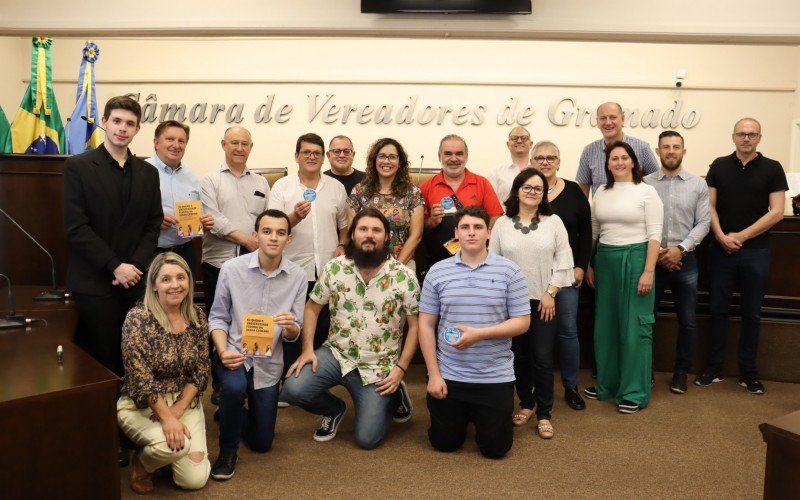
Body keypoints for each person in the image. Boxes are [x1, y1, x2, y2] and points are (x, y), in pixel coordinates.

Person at [283, 208, 420, 449]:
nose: (369, 235)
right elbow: (312, 308)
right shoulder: (335, 268)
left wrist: (400, 368)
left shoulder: (404, 276)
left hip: (379, 364)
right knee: (293, 389)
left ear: (386, 237)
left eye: (376, 230)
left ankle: (396, 392)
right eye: (363, 229)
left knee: (368, 439)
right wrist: (307, 350)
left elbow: (416, 326)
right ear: (353, 235)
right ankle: (334, 408)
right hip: (337, 354)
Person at [62, 95, 162, 379]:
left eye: (130, 123)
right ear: (104, 122)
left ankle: (133, 422)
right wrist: (115, 266)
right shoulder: (77, 167)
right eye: (117, 121)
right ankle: (104, 424)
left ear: (137, 129)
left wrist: (135, 267)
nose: (122, 128)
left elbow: (152, 225)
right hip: (94, 283)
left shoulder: (148, 173)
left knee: (137, 359)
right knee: (102, 363)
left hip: (136, 283)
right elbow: (76, 228)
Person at [420, 205, 530, 459]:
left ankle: (476, 415)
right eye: (465, 227)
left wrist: (479, 334)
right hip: (450, 376)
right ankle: (462, 414)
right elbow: (425, 325)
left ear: (489, 233)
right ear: (456, 233)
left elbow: (522, 322)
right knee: (444, 443)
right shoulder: (438, 272)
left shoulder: (509, 271)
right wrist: (434, 375)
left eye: (478, 227)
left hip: (494, 376)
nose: (472, 233)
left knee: (495, 449)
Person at [207, 209, 307, 480]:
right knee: (234, 387)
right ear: (255, 236)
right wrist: (222, 350)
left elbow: (294, 334)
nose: (273, 238)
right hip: (234, 353)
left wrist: (290, 327)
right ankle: (227, 451)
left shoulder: (298, 276)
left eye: (280, 232)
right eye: (266, 231)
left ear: (289, 239)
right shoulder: (231, 269)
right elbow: (216, 318)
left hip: (268, 362)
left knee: (263, 444)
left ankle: (232, 413)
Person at [696, 118, 788, 394]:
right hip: (720, 249)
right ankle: (714, 367)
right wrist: (722, 236)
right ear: (733, 137)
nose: (746, 139)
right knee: (718, 310)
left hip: (756, 252)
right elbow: (708, 204)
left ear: (759, 138)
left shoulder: (773, 168)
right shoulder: (719, 165)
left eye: (751, 134)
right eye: (741, 134)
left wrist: (742, 236)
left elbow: (777, 211)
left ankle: (749, 373)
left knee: (752, 314)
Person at [489, 169, 573, 439]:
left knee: (542, 358)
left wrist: (551, 292)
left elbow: (564, 259)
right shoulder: (502, 223)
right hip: (511, 303)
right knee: (519, 356)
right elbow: (493, 262)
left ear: (544, 194)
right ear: (517, 189)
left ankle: (544, 413)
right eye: (527, 186)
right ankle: (527, 403)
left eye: (538, 188)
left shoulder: (554, 222)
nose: (532, 191)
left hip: (543, 301)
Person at [117, 252, 211, 494]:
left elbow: (201, 370)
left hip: (184, 401)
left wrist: (178, 409)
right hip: (142, 404)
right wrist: (168, 419)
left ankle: (166, 452)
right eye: (166, 279)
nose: (175, 285)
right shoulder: (138, 319)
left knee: (194, 480)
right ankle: (142, 464)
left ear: (189, 282)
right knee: (173, 447)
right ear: (154, 285)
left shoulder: (197, 316)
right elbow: (141, 379)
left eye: (181, 277)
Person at [585, 141, 663, 414]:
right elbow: (594, 232)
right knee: (605, 327)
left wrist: (648, 271)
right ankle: (608, 384)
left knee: (634, 329)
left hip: (637, 259)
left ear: (633, 162)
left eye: (624, 158)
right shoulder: (601, 193)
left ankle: (634, 391)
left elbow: (655, 235)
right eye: (613, 158)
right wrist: (589, 264)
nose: (618, 162)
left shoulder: (647, 192)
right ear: (607, 164)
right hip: (605, 259)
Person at [269, 133, 349, 388]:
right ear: (297, 156)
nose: (311, 157)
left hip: (328, 268)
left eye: (316, 152)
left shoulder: (336, 188)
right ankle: (290, 379)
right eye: (306, 152)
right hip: (293, 269)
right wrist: (292, 217)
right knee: (291, 325)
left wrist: (342, 244)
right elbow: (273, 228)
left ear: (324, 157)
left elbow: (345, 226)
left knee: (324, 326)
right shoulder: (282, 187)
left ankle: (315, 380)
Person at [201, 126, 269, 405]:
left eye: (245, 143)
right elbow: (212, 218)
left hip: (255, 265)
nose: (239, 148)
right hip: (220, 261)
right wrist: (246, 240)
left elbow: (268, 219)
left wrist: (259, 242)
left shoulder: (261, 181)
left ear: (251, 147)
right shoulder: (209, 180)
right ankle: (220, 381)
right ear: (223, 145)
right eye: (234, 143)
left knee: (251, 317)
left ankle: (253, 376)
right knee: (220, 320)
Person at [644, 131, 710, 394]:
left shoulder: (697, 184)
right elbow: (641, 222)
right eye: (666, 147)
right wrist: (661, 252)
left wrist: (679, 250)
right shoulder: (645, 183)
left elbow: (703, 223)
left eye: (676, 147)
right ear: (658, 152)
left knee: (688, 320)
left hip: (686, 260)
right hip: (652, 260)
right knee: (646, 319)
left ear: (684, 151)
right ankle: (644, 372)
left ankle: (680, 373)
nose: (671, 151)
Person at [533, 140, 592, 410]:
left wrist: (581, 265)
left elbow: (586, 233)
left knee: (567, 331)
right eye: (540, 158)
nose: (545, 162)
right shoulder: (527, 190)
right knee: (530, 332)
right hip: (532, 276)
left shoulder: (574, 192)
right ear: (532, 162)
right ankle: (530, 387)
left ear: (559, 161)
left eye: (550, 157)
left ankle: (571, 386)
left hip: (566, 274)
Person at [420, 134, 504, 266]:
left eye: (459, 154)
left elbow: (496, 217)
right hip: (437, 262)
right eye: (448, 154)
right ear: (439, 157)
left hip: (476, 261)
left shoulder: (482, 183)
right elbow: (418, 229)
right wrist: (432, 221)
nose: (454, 159)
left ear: (466, 156)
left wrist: (479, 234)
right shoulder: (426, 187)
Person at [147, 120, 214, 272]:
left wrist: (203, 224)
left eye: (181, 141)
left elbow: (198, 216)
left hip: (185, 252)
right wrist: (153, 219)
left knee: (184, 296)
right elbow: (126, 215)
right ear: (156, 143)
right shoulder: (140, 171)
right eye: (170, 139)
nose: (176, 145)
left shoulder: (192, 177)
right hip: (151, 253)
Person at [348, 137, 424, 268]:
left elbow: (416, 235)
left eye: (392, 157)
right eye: (382, 156)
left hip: (402, 264)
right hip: (364, 263)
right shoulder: (359, 191)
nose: (386, 161)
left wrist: (395, 268)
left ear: (400, 162)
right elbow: (352, 232)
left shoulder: (413, 192)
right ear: (374, 160)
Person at [576, 102, 659, 197]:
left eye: (613, 117)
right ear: (597, 122)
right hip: (601, 211)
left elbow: (656, 181)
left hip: (635, 210)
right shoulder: (589, 151)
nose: (608, 122)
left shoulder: (642, 147)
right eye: (603, 118)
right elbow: (583, 189)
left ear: (622, 119)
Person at [489, 126, 533, 205]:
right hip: (504, 217)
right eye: (514, 138)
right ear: (508, 144)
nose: (519, 141)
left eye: (524, 138)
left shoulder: (538, 170)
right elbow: (491, 202)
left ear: (531, 144)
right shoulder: (496, 172)